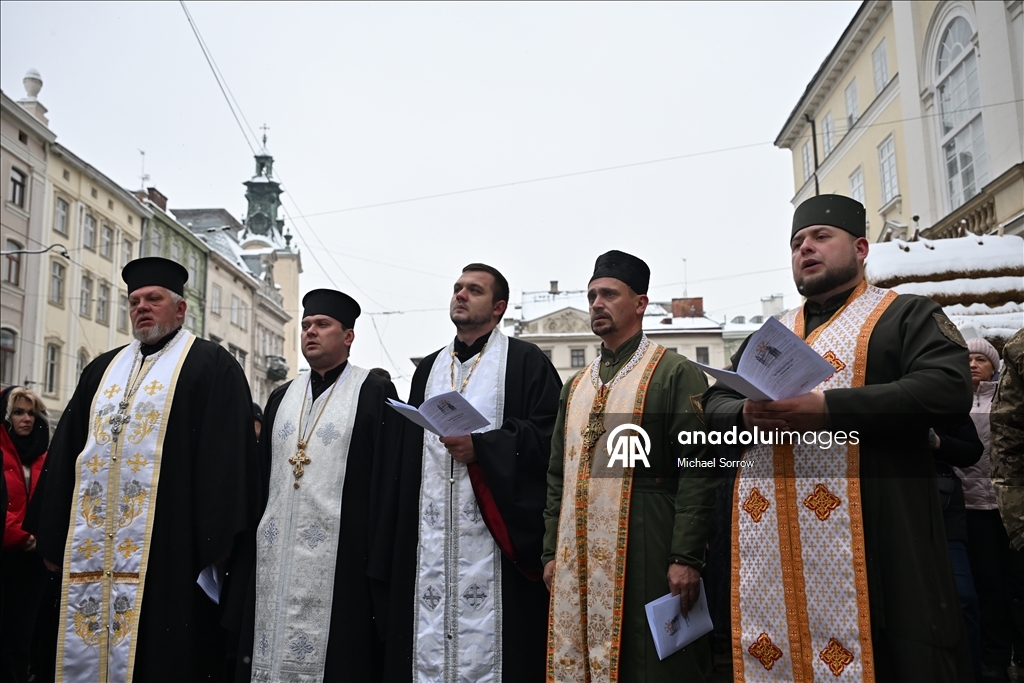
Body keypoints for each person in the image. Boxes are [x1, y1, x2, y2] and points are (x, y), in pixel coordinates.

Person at [702, 194, 974, 681]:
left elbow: (947, 387)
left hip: (879, 535)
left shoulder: (905, 315)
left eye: (820, 237)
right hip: (774, 549)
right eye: (796, 243)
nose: (805, 249)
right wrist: (746, 411)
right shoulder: (770, 335)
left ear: (862, 247)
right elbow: (714, 403)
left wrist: (829, 408)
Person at [27, 257, 258, 681]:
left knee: (159, 654)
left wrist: (214, 541)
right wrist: (54, 533)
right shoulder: (102, 369)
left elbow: (225, 460)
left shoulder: (211, 365)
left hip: (169, 547)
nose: (142, 308)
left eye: (153, 299)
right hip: (93, 548)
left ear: (180, 308)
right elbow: (66, 455)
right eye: (134, 301)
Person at [379, 263, 561, 682]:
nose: (460, 295)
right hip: (431, 540)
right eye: (458, 288)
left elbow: (549, 437)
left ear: (498, 308)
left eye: (474, 290)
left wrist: (483, 447)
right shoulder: (429, 368)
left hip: (494, 538)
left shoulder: (524, 361)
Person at [544, 250, 718, 682]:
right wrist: (551, 552)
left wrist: (686, 556)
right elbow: (556, 476)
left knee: (651, 663)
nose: (596, 304)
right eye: (591, 296)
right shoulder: (577, 386)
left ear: (640, 303)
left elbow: (698, 466)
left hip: (650, 543)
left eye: (608, 294)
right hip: (577, 554)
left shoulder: (674, 372)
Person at [232, 289, 402, 682]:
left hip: (344, 559)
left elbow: (386, 481)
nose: (311, 332)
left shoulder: (373, 393)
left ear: (348, 336)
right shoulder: (281, 397)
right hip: (274, 555)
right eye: (306, 325)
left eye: (322, 325)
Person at [962, 336, 1020, 682]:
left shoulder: (1010, 400)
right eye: (967, 359)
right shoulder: (952, 404)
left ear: (995, 367)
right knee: (987, 584)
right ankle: (994, 657)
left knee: (1017, 581)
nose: (972, 364)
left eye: (980, 360)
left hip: (1009, 507)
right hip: (972, 506)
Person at [2, 387, 50, 683]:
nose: (26, 419)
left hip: (33, 561)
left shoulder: (43, 455)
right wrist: (21, 535)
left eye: (31, 413)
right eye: (18, 412)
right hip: (6, 554)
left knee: (25, 635)